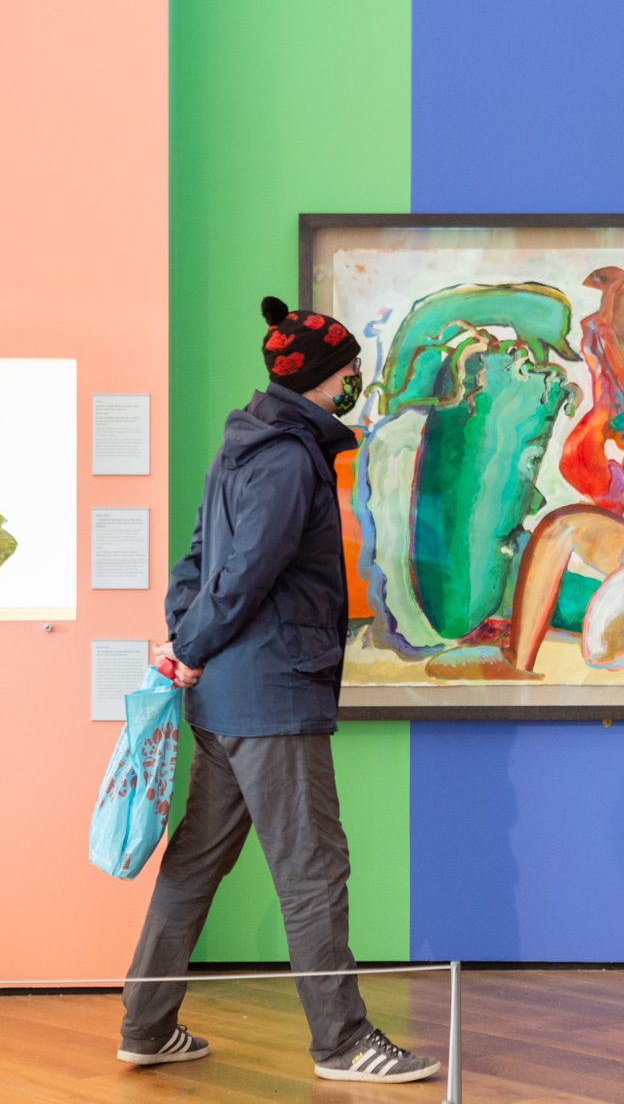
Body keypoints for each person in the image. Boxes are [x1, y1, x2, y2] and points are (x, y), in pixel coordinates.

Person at [116, 296, 439, 1085]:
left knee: (194, 866)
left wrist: (190, 650)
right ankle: (342, 1043)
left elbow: (196, 561)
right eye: (352, 370)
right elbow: (247, 571)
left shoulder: (241, 445)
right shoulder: (292, 458)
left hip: (227, 699)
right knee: (312, 870)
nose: (358, 380)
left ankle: (146, 1027)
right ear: (330, 379)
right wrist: (189, 648)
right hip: (270, 697)